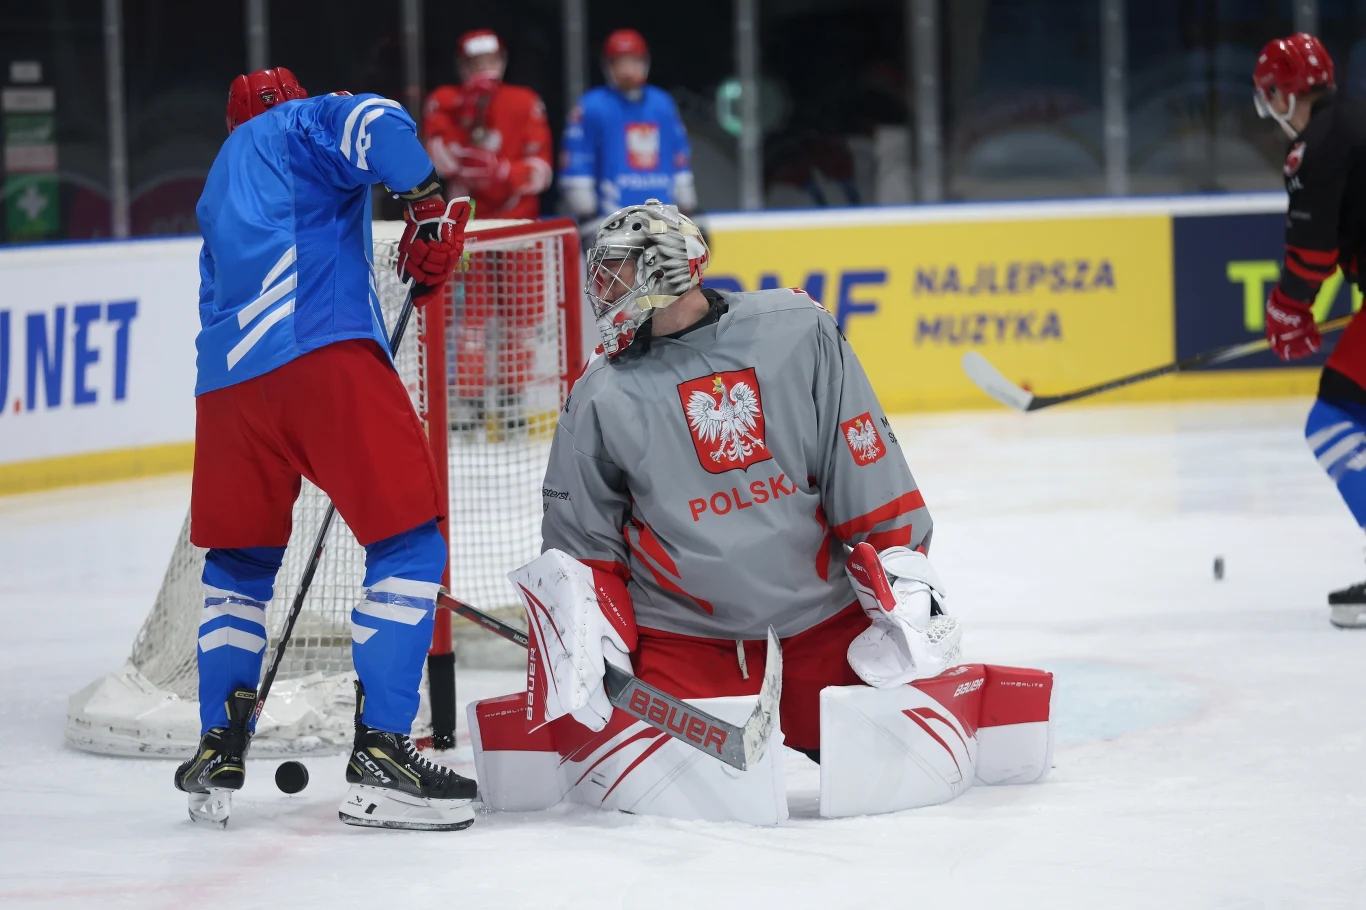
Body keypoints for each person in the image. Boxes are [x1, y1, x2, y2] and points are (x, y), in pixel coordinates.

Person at [490, 199, 980, 824]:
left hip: (819, 626)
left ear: (665, 272)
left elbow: (860, 455)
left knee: (919, 769)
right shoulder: (600, 392)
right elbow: (583, 540)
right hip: (686, 639)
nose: (601, 288)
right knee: (631, 793)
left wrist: (903, 578)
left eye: (616, 271)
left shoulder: (796, 329)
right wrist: (590, 634)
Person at [175, 67, 477, 830]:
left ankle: (218, 745)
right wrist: (429, 209)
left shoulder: (216, 185)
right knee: (408, 542)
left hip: (228, 393)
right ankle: (381, 751)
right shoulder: (303, 122)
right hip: (320, 354)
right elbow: (379, 125)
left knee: (238, 569)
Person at [1254, 34, 1366, 628]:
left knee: (1335, 421)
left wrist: (1288, 309)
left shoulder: (1315, 145)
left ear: (1280, 92)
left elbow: (1311, 252)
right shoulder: (1355, 119)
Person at [560, 29, 697, 223]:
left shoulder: (663, 103)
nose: (628, 70)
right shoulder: (591, 106)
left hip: (663, 216)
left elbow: (679, 154)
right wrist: (586, 210)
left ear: (645, 62)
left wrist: (687, 202)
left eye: (635, 61)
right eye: (621, 62)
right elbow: (577, 158)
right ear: (608, 66)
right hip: (612, 217)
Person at [423, 29, 553, 220]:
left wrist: (504, 172)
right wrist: (466, 114)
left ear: (503, 62)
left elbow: (543, 173)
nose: (484, 68)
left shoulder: (526, 101)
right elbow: (438, 165)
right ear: (462, 66)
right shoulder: (443, 100)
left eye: (491, 61)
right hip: (465, 217)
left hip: (518, 217)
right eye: (475, 63)